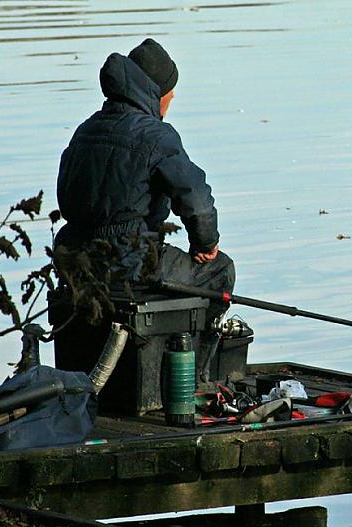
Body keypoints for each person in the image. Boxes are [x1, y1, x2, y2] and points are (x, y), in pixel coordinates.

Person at [55, 38, 234, 382]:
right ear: (155, 92)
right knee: (220, 272)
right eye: (170, 92)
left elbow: (66, 198)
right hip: (131, 260)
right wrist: (205, 245)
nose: (173, 99)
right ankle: (196, 379)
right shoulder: (157, 136)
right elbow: (196, 199)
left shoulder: (85, 130)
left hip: (76, 258)